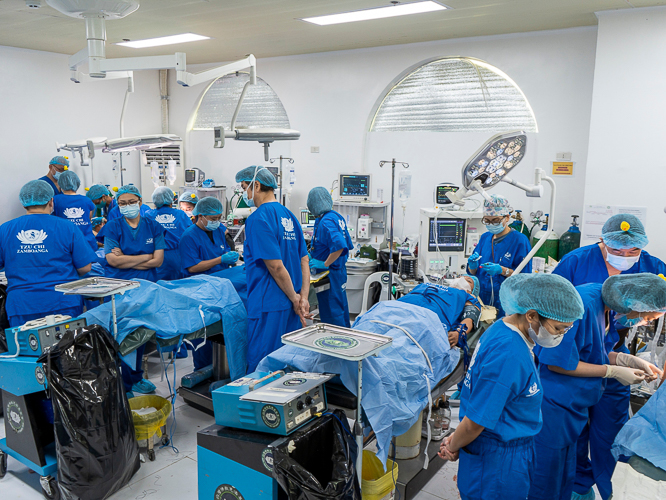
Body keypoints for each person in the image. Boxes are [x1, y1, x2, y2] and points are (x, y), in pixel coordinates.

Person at [439, 273, 585, 500]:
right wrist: (453, 445)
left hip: (500, 452)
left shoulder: (504, 328)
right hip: (498, 460)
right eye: (558, 329)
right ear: (532, 315)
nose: (561, 336)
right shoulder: (509, 353)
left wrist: (457, 441)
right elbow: (475, 423)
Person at [552, 214, 666, 500]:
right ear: (602, 241)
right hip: (577, 352)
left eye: (633, 252)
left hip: (610, 349)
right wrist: (611, 369)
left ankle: (607, 485)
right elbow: (551, 319)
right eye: (617, 250)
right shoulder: (577, 265)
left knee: (610, 433)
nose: (625, 257)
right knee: (575, 433)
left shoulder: (653, 268)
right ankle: (578, 485)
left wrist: (623, 361)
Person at [528, 274, 665, 500]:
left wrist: (624, 360)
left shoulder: (608, 306)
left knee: (565, 473)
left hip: (574, 405)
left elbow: (592, 350)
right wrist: (611, 371)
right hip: (555, 404)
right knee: (547, 476)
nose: (648, 322)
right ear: (635, 305)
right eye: (649, 316)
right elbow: (556, 362)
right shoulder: (582, 304)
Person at [236, 165, 310, 372]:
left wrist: (296, 299)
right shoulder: (290, 216)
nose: (245, 194)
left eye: (245, 188)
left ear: (256, 185)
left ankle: (260, 404)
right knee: (287, 363)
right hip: (291, 304)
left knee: (263, 366)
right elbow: (304, 259)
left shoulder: (258, 218)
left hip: (268, 304)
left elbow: (276, 267)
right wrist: (302, 298)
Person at [0, 180, 96, 327]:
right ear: (51, 201)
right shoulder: (67, 228)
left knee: (26, 348)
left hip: (22, 305)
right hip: (63, 302)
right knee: (66, 347)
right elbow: (85, 268)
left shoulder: (5, 230)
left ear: (24, 202)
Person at [101, 185, 166, 396]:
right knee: (122, 335)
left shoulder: (152, 225)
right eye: (122, 203)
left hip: (146, 287)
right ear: (117, 205)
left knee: (141, 335)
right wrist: (146, 257)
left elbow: (159, 260)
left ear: (139, 200)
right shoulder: (113, 227)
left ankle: (135, 379)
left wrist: (125, 260)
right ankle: (123, 384)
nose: (127, 206)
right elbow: (112, 260)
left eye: (131, 202)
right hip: (122, 288)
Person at [466, 194, 532, 318]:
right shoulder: (486, 237)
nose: (491, 224)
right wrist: (472, 266)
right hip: (481, 299)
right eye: (487, 220)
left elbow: (524, 279)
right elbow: (473, 273)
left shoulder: (520, 241)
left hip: (506, 301)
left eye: (495, 220)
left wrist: (502, 270)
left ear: (507, 217)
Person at [306, 187, 354, 327]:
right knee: (341, 308)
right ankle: (345, 338)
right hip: (338, 273)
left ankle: (337, 344)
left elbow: (340, 245)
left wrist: (325, 264)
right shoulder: (334, 216)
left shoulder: (326, 222)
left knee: (333, 313)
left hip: (330, 274)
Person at [179, 197, 239, 276]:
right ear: (200, 216)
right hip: (201, 282)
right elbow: (192, 267)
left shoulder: (218, 230)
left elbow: (223, 250)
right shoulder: (189, 236)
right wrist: (220, 260)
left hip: (221, 276)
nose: (217, 221)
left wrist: (230, 255)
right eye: (213, 219)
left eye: (219, 218)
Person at [146, 186, 193, 281]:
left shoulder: (148, 215)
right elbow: (191, 234)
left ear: (155, 202)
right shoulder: (180, 214)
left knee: (158, 286)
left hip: (155, 256)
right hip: (177, 256)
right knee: (179, 285)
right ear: (171, 201)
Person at [53, 170, 98, 251]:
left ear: (61, 184)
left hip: (66, 245)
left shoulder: (55, 200)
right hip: (87, 244)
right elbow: (89, 218)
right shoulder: (86, 200)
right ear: (77, 184)